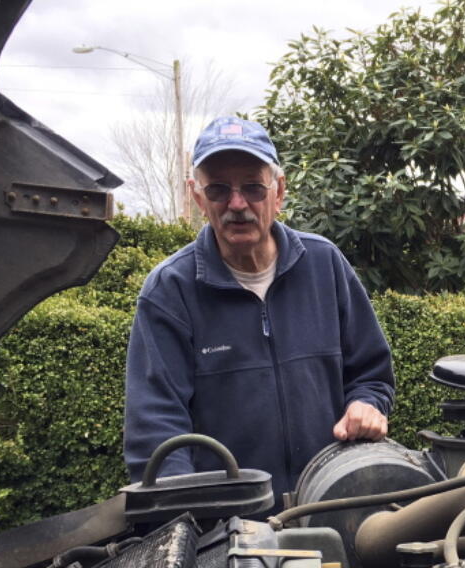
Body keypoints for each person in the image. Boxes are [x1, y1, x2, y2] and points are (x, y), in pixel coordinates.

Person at [123, 116, 393, 505]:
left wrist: (366, 404)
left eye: (253, 186)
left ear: (278, 191)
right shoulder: (170, 291)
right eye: (218, 189)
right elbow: (157, 434)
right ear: (197, 196)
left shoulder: (325, 265)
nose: (237, 204)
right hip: (226, 531)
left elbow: (371, 373)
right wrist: (187, 528)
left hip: (332, 510)